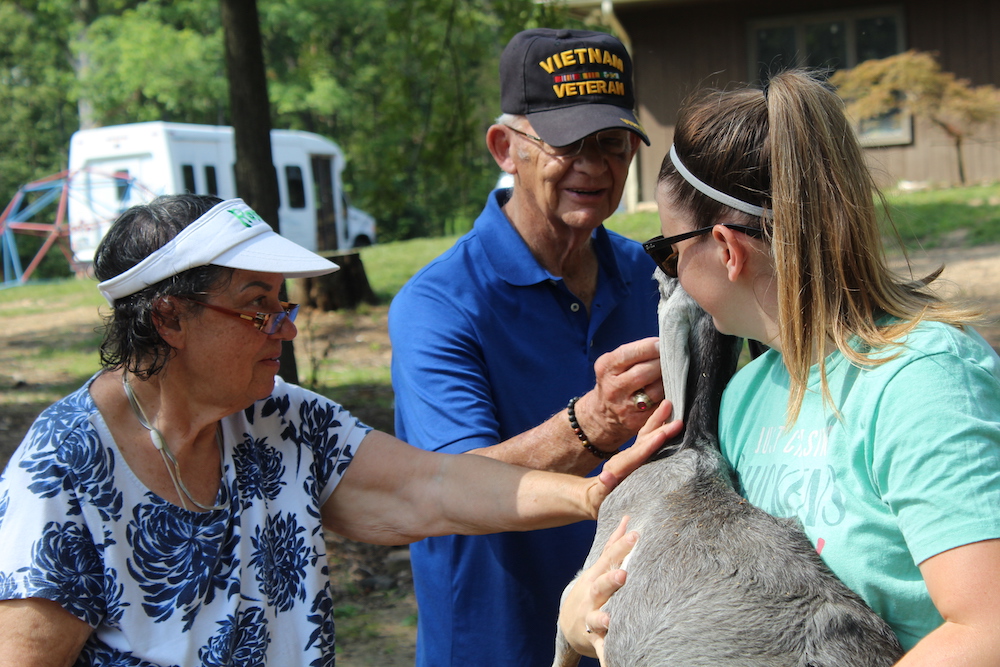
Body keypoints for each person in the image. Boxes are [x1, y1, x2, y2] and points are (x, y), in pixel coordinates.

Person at [0, 194, 680, 667]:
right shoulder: (64, 467)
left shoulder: (282, 417)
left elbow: (433, 487)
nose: (287, 326)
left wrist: (593, 496)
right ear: (170, 319)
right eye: (257, 307)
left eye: (282, 301)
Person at [559, 68, 1000, 665]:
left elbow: (986, 628)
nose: (667, 274)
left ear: (727, 250)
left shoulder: (925, 381)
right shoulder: (746, 395)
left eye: (667, 251)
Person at [388, 28, 663, 667]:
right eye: (568, 142)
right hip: (498, 640)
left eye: (612, 142)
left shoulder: (652, 280)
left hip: (633, 633)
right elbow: (445, 486)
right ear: (504, 149)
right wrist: (593, 422)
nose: (594, 166)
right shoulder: (440, 303)